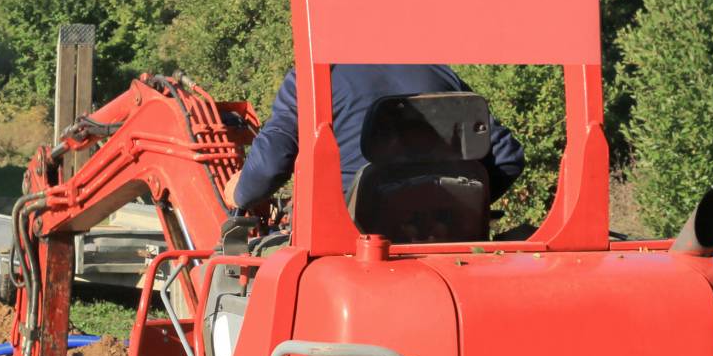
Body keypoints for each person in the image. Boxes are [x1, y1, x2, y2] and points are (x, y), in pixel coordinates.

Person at [225, 64, 525, 217]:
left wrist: (240, 193)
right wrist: (458, 207)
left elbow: (270, 165)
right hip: (445, 236)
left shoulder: (316, 77)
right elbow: (507, 156)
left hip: (350, 244)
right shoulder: (438, 70)